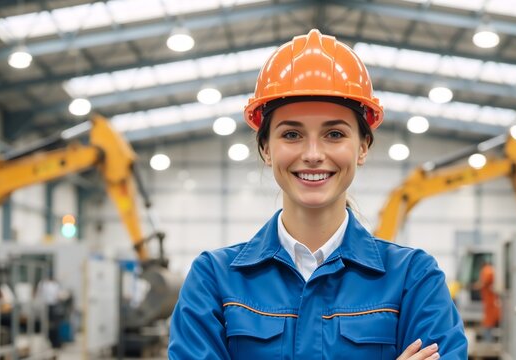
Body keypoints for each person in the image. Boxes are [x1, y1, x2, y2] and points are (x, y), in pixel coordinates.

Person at [169, 29, 467, 359]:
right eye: (292, 133)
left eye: (334, 133)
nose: (312, 153)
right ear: (266, 149)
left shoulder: (414, 278)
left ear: (363, 147)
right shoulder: (214, 280)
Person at [473, 259, 500, 342]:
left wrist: (475, 286)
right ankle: (488, 339)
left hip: (491, 302)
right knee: (489, 320)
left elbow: (484, 281)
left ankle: (488, 340)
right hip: (489, 302)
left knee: (489, 321)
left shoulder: (487, 270)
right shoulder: (488, 270)